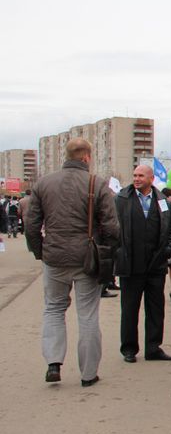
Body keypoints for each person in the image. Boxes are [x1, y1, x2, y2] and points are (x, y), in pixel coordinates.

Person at [25, 138, 119, 386]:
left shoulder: (43, 183)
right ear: (87, 157)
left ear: (66, 156)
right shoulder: (96, 184)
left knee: (54, 309)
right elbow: (111, 227)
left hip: (54, 256)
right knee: (87, 314)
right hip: (87, 257)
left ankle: (53, 362)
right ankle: (88, 374)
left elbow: (31, 225)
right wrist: (107, 251)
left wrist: (40, 252)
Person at [114, 165, 171, 363]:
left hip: (155, 265)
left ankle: (153, 347)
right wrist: (118, 252)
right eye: (134, 175)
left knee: (156, 309)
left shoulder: (163, 201)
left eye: (140, 175)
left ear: (151, 179)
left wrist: (168, 250)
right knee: (129, 309)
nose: (136, 178)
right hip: (130, 264)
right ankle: (129, 349)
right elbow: (111, 226)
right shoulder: (121, 199)